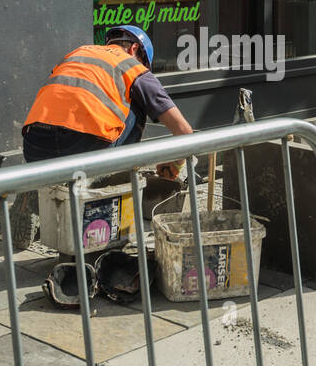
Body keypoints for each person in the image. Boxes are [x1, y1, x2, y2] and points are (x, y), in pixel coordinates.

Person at [11, 25, 194, 248]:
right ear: (135, 49)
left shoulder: (77, 55)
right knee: (135, 106)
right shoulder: (133, 68)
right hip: (82, 146)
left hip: (34, 142)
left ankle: (36, 185)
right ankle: (108, 187)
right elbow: (184, 131)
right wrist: (174, 162)